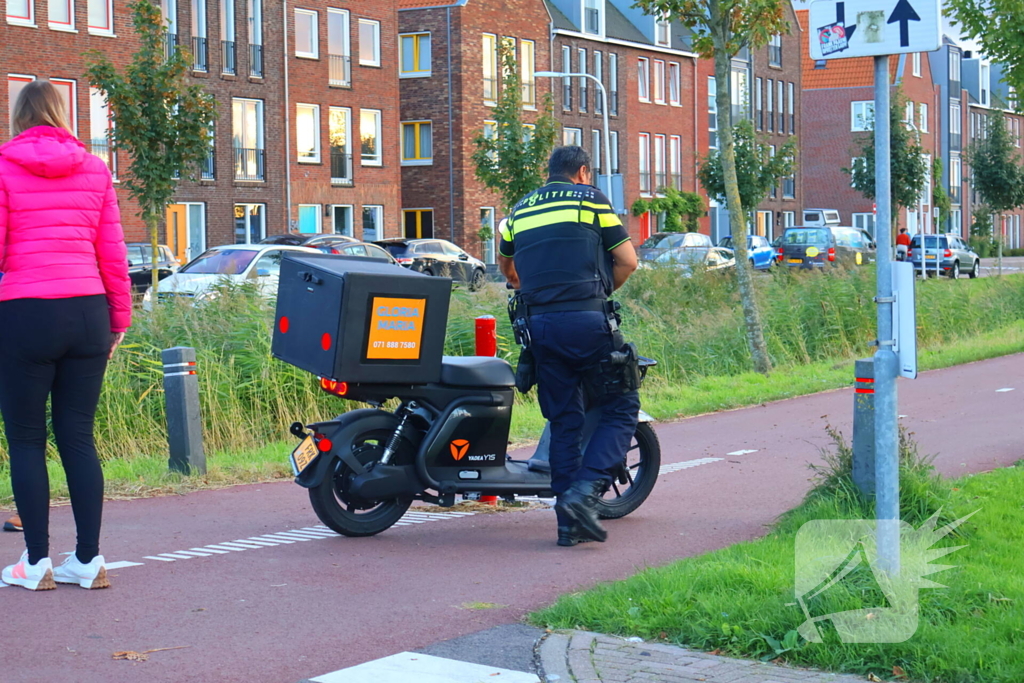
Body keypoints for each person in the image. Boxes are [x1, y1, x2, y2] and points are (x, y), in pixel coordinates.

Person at [0, 80, 132, 591]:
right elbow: (113, 256)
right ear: (60, 114)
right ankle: (89, 559)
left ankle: (34, 564)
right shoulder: (95, 169)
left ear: (19, 116)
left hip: (27, 312)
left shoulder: (5, 166)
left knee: (27, 439)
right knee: (78, 435)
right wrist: (118, 319)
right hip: (87, 313)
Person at [498, 146, 639, 547]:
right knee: (620, 405)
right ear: (581, 171)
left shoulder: (520, 209)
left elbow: (507, 268)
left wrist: (536, 289)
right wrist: (596, 295)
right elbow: (627, 261)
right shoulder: (591, 199)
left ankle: (568, 522)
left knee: (563, 419)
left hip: (539, 327)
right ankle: (585, 492)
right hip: (587, 321)